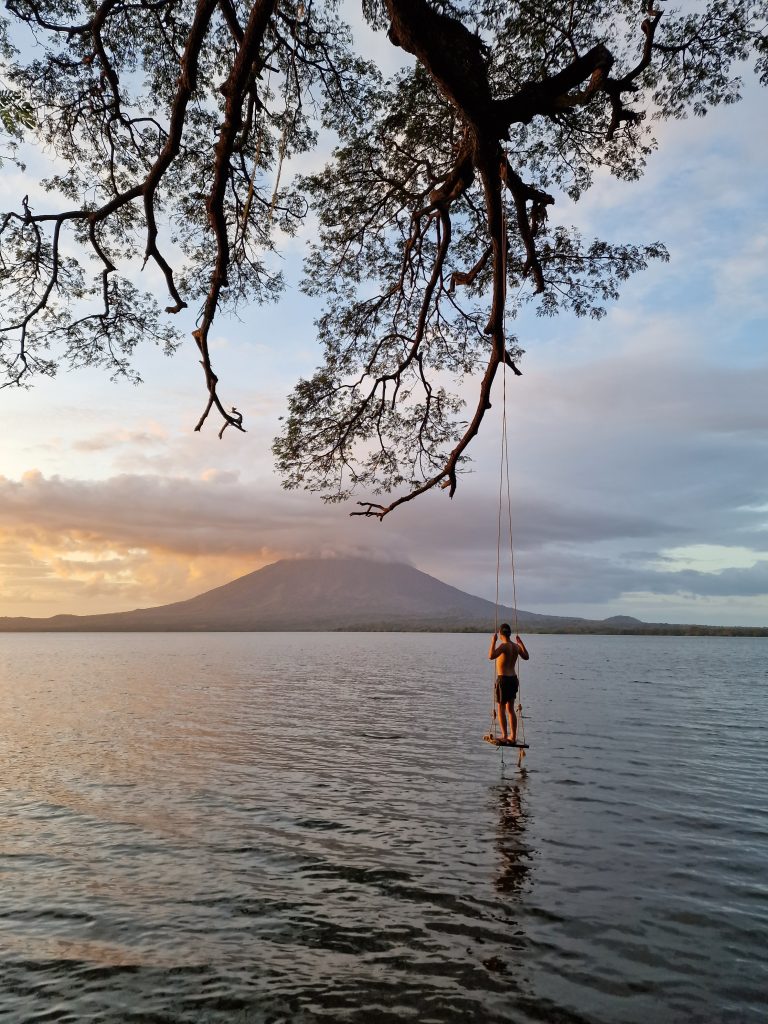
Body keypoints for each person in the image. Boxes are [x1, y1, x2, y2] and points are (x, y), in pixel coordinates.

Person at [488, 624, 529, 743]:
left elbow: (491, 656)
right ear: (509, 634)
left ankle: (505, 736)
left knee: (501, 708)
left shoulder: (503, 646)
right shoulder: (515, 646)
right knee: (510, 709)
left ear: (500, 634)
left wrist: (493, 642)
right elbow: (526, 656)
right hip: (513, 679)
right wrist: (521, 643)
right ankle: (513, 737)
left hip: (504, 679)